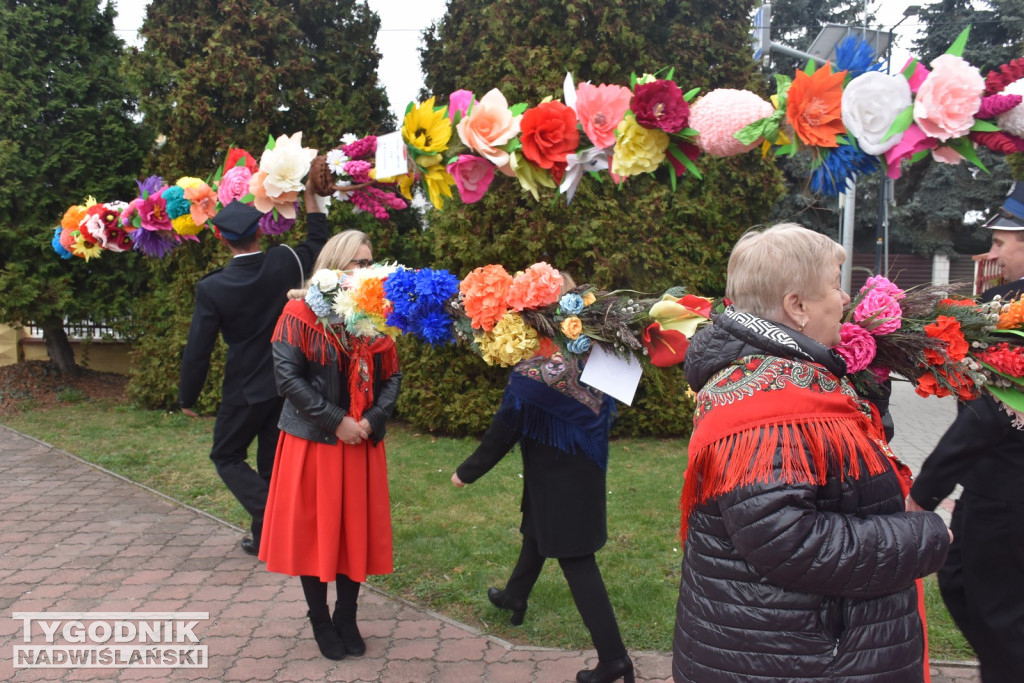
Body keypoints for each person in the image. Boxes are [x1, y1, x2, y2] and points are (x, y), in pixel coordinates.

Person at [673, 223, 951, 683]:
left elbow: (835, 473)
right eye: (834, 286)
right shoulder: (771, 407)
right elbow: (790, 542)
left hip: (787, 646)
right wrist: (923, 537)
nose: (845, 300)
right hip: (800, 656)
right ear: (796, 307)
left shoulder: (785, 374)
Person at [451, 276, 633, 683]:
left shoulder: (534, 369)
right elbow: (612, 402)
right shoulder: (592, 349)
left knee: (576, 561)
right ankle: (516, 596)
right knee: (537, 528)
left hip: (560, 476)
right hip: (581, 467)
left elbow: (506, 426)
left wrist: (467, 472)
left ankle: (614, 659)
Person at [259, 230, 401, 661]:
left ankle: (347, 616)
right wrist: (337, 421)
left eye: (369, 262)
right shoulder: (299, 310)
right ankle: (320, 619)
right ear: (335, 264)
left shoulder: (374, 313)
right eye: (357, 262)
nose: (365, 270)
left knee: (353, 532)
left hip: (361, 441)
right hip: (314, 442)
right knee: (315, 535)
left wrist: (370, 420)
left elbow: (391, 375)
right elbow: (288, 380)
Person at [907, 181, 1024, 682]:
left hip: (1007, 494)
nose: (991, 252)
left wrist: (924, 493)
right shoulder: (1003, 301)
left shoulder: (1014, 311)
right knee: (958, 581)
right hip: (990, 486)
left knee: (998, 616)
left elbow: (990, 411)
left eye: (1001, 242)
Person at [178, 187, 329, 556]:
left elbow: (199, 347)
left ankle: (279, 517)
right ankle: (266, 540)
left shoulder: (213, 287)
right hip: (289, 381)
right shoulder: (285, 262)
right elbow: (318, 240)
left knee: (226, 456)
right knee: (271, 464)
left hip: (244, 388)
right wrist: (310, 198)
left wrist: (187, 396)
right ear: (260, 231)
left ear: (220, 238)